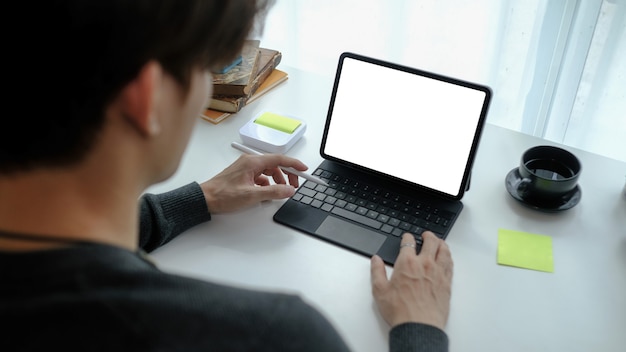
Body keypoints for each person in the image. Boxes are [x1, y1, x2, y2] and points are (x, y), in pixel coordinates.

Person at [0, 1, 453, 351]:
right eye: (208, 70)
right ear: (148, 97)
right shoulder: (266, 337)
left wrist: (200, 197)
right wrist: (419, 327)